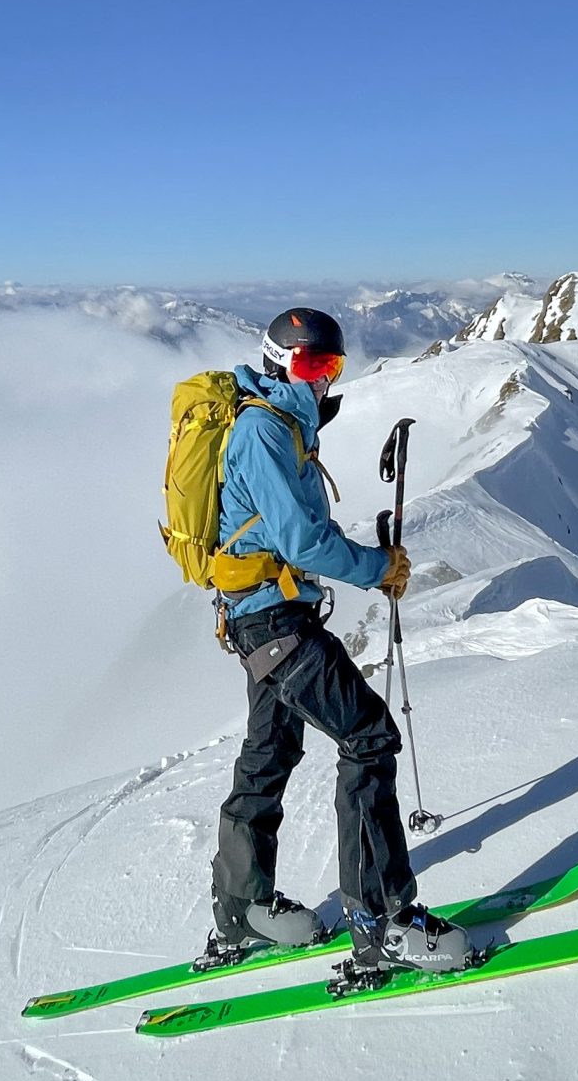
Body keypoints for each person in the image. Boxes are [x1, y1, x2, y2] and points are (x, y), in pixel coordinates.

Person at [201, 307, 470, 978]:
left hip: (261, 614)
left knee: (271, 751)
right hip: (274, 622)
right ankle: (383, 924)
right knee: (370, 737)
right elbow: (302, 542)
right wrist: (379, 568)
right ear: (276, 362)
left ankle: (244, 912)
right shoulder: (264, 431)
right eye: (311, 365)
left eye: (331, 367)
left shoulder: (280, 425)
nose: (322, 379)